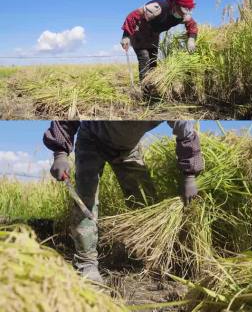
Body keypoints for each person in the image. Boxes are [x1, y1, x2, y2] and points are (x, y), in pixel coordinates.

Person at [43, 121, 204, 283]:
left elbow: (186, 134)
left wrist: (189, 175)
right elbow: (68, 116)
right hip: (92, 140)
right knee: (86, 201)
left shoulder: (170, 106)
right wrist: (60, 153)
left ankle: (145, 256)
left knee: (146, 203)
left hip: (128, 149)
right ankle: (86, 263)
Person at [120, 0, 199, 94]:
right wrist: (126, 35)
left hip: (153, 37)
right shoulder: (157, 8)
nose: (184, 14)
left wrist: (191, 39)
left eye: (187, 10)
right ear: (175, 4)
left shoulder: (181, 15)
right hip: (139, 35)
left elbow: (192, 24)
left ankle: (152, 89)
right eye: (182, 10)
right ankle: (144, 91)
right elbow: (133, 15)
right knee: (145, 58)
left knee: (153, 63)